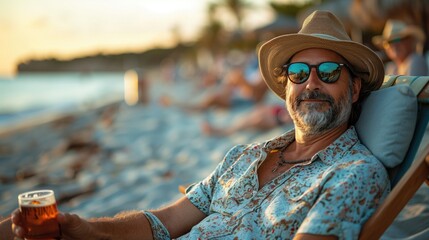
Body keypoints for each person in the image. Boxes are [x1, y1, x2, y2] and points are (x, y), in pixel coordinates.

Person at [1, 10, 390, 239]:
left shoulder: (353, 173)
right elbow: (167, 221)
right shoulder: (246, 155)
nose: (311, 84)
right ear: (286, 87)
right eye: (300, 72)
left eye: (328, 72)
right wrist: (85, 228)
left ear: (355, 88)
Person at [201, 103, 292, 136]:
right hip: (276, 110)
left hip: (278, 116)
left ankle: (223, 131)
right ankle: (224, 129)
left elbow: (286, 118)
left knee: (256, 120)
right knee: (251, 117)